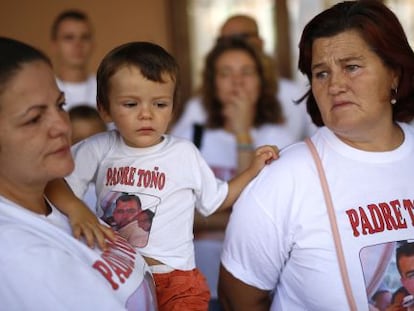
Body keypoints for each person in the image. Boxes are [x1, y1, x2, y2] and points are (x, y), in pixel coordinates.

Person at [45, 41, 278, 310]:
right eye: (131, 104)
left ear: (173, 108)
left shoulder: (183, 153)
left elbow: (218, 198)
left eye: (160, 104)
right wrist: (77, 210)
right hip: (117, 273)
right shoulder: (99, 148)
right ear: (105, 108)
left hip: (177, 280)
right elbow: (51, 179)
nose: (146, 114)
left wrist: (251, 170)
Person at [218, 1, 414, 310]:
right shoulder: (283, 178)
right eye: (321, 73)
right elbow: (237, 299)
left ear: (394, 73)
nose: (335, 85)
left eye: (351, 67)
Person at [0, 36, 157, 309]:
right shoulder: (18, 256)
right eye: (34, 118)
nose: (61, 125)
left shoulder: (48, 192)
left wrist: (74, 206)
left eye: (60, 105)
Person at [174, 37, 295, 309]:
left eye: (246, 72)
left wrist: (243, 134)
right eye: (225, 73)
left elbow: (254, 216)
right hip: (194, 284)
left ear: (261, 81)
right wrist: (224, 218)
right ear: (212, 83)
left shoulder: (280, 138)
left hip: (257, 288)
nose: (236, 82)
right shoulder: (191, 136)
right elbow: (171, 214)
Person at [170, 14, 316, 142]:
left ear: (260, 41)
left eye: (240, 37)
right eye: (222, 41)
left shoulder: (295, 95)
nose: (237, 81)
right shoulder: (199, 106)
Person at [50, 9, 96, 110]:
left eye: (84, 37)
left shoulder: (106, 90)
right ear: (55, 45)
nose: (78, 45)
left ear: (93, 44)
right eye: (69, 38)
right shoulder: (46, 91)